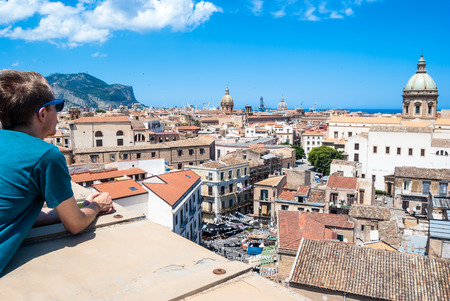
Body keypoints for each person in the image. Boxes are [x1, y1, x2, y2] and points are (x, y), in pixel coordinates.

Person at [0, 70, 113, 274]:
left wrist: (71, 208)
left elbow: (13, 209)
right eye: (57, 106)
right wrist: (97, 205)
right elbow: (76, 224)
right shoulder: (45, 155)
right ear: (43, 114)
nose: (59, 112)